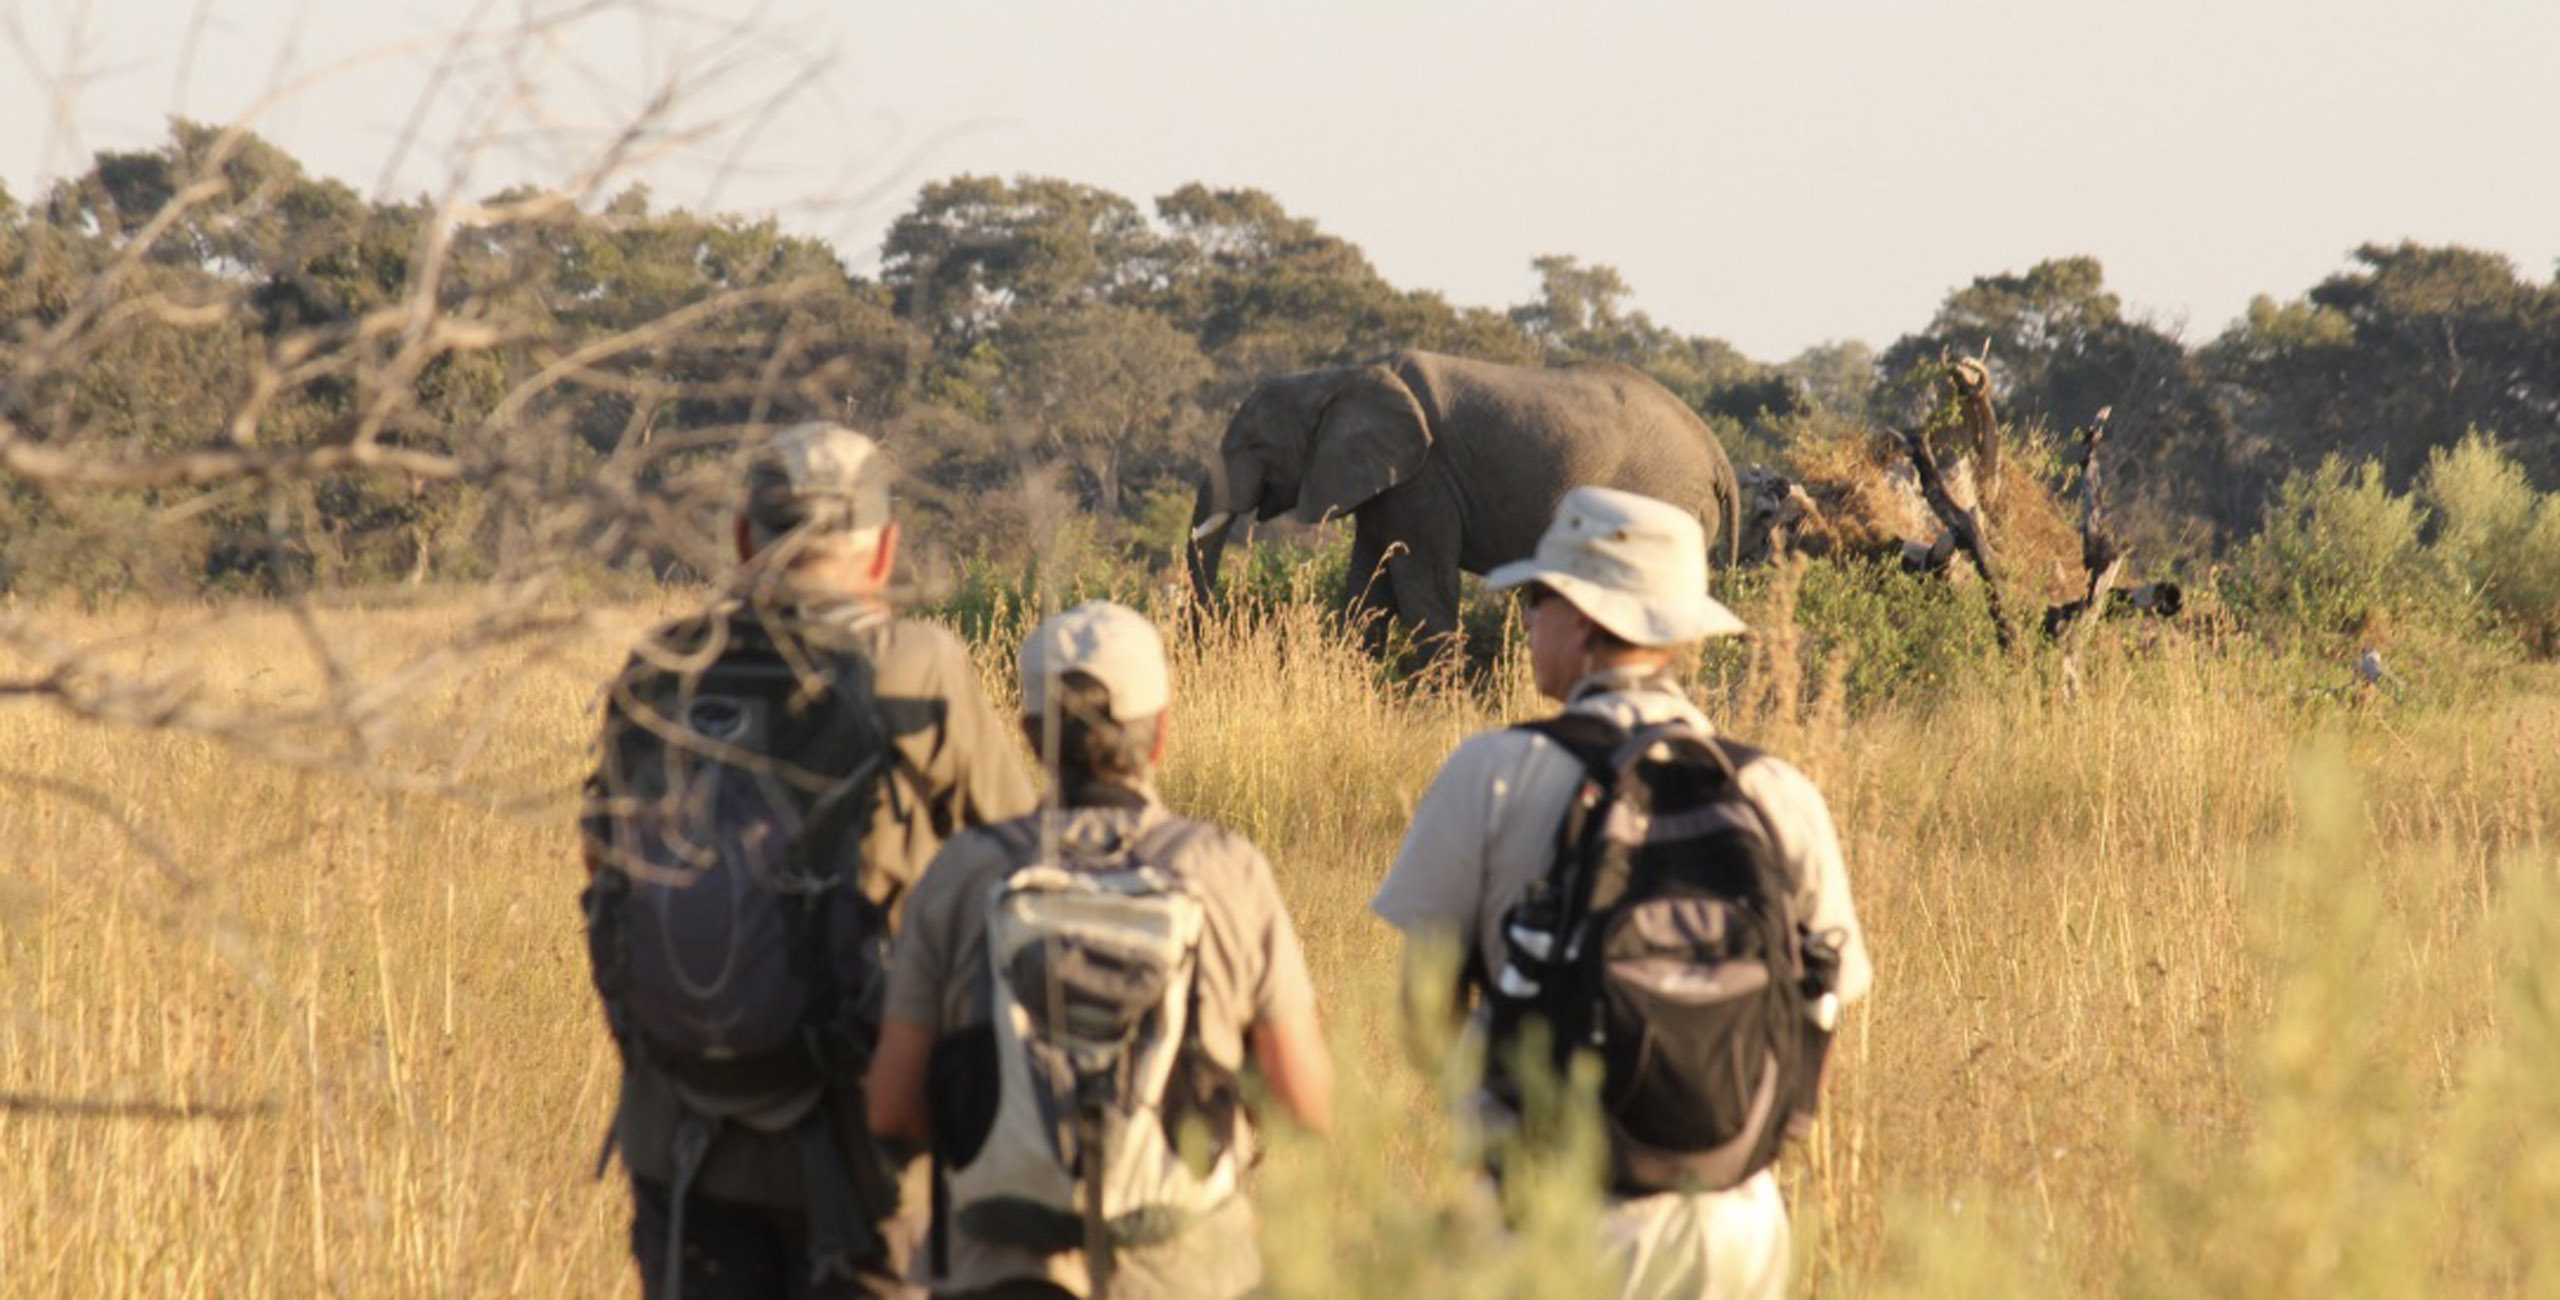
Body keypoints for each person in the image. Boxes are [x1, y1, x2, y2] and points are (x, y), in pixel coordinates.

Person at [1371, 485, 1873, 1300]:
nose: (1527, 618)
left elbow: (1422, 1017)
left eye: (1539, 597)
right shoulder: (1780, 792)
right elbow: (1821, 1018)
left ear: (1584, 617)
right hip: (1738, 1224)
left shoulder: (1490, 775)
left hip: (1554, 1214)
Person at [584, 422, 1037, 1299]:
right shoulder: (918, 666)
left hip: (680, 1133)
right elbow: (1024, 869)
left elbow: (604, 879)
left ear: (745, 539)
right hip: (866, 1141)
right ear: (884, 551)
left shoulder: (659, 671)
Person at [867, 600, 1334, 1300]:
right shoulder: (1225, 870)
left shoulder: (963, 873)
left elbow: (892, 1108)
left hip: (1000, 1266)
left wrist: (1004, 1146)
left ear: (1029, 735)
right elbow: (1306, 1103)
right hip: (1184, 1265)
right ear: (1161, 734)